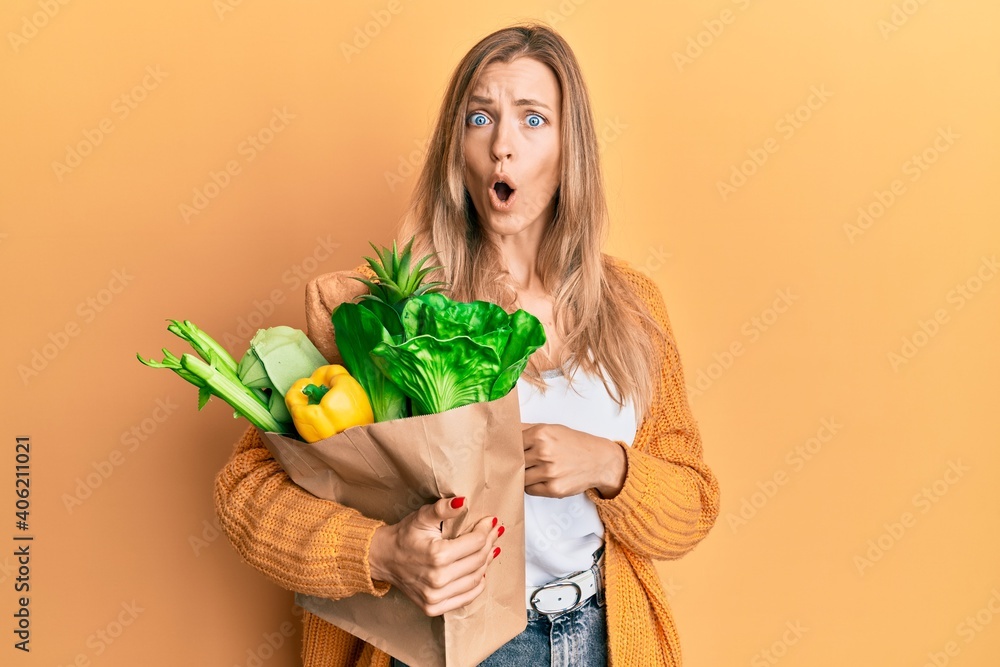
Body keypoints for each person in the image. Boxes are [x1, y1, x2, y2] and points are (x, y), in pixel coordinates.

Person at [215, 22, 719, 667]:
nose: (502, 146)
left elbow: (693, 505)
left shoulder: (632, 308)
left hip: (599, 638)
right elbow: (246, 491)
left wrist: (611, 467)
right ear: (458, 148)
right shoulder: (383, 314)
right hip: (449, 648)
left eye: (533, 120)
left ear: (573, 149)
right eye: (480, 118)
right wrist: (380, 552)